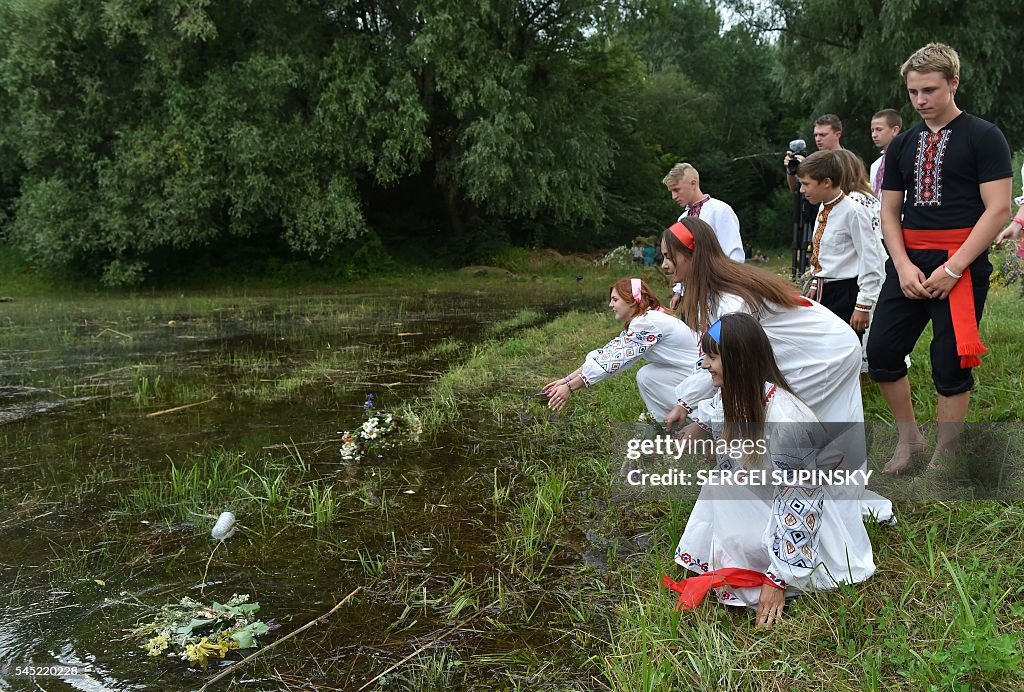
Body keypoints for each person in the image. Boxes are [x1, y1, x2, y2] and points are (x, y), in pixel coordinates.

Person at [665, 313, 878, 623]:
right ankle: (741, 559)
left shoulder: (785, 419)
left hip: (806, 513)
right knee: (721, 484)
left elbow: (803, 501)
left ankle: (773, 572)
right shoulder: (736, 398)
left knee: (726, 491)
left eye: (712, 357)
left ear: (739, 361)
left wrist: (779, 579)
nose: (706, 365)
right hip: (773, 493)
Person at [867, 43, 1012, 474]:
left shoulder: (985, 136)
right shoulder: (902, 144)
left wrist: (953, 268)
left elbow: (998, 209)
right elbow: (889, 212)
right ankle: (909, 440)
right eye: (913, 92)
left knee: (949, 360)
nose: (920, 101)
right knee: (882, 352)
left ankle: (946, 454)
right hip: (908, 262)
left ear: (954, 83)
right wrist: (905, 265)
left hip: (961, 262)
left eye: (929, 90)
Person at [543, 278, 699, 421]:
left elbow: (612, 362)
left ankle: (698, 420)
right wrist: (566, 380)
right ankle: (667, 421)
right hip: (692, 370)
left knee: (648, 376)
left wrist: (570, 388)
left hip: (703, 375)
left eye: (615, 300)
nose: (611, 305)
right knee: (646, 375)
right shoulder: (645, 320)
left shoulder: (647, 323)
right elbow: (607, 355)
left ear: (632, 301)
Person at [797, 150, 885, 331]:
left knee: (844, 347)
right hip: (824, 290)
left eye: (806, 184)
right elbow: (825, 254)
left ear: (826, 182)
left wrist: (863, 304)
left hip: (844, 292)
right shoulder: (823, 206)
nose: (801, 190)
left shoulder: (854, 211)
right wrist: (815, 282)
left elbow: (871, 259)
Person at [663, 163, 745, 263]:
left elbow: (734, 255)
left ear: (693, 184)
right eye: (671, 191)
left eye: (676, 190)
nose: (673, 196)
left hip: (718, 276)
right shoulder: (681, 219)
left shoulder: (720, 210)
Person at [784, 114, 844, 194]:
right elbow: (795, 188)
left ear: (837, 135)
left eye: (822, 135)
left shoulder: (847, 161)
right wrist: (791, 169)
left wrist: (807, 169)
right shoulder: (814, 158)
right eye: (816, 135)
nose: (818, 139)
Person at [869, 109, 903, 200]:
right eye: (872, 130)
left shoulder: (904, 160)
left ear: (895, 130)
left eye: (879, 130)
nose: (874, 135)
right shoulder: (875, 165)